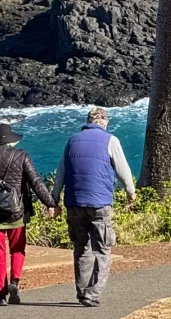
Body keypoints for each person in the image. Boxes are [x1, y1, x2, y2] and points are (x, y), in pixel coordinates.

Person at [52, 106, 135, 307]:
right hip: (99, 203)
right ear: (105, 122)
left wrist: (54, 200)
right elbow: (122, 169)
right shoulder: (111, 140)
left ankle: (82, 292)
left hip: (74, 202)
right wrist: (130, 191)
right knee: (103, 248)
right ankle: (92, 293)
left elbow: (61, 172)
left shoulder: (72, 140)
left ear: (88, 122)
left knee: (81, 247)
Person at [0, 122, 56, 306]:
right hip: (17, 211)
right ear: (11, 140)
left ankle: (1, 296)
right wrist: (50, 203)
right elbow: (36, 182)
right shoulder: (21, 155)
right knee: (17, 249)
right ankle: (14, 282)